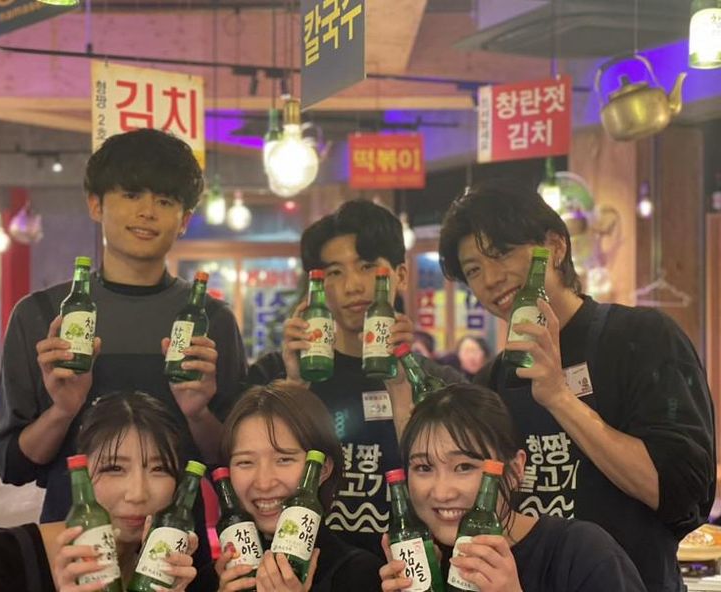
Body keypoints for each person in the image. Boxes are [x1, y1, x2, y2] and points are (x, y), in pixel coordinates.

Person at [0, 129, 248, 574]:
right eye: (130, 194)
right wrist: (62, 411)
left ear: (184, 219)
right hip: (72, 550)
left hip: (175, 553)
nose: (147, 211)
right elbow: (13, 464)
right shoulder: (43, 315)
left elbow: (229, 463)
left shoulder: (211, 321)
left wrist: (199, 413)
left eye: (165, 201)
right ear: (96, 204)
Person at [433, 179, 715, 591]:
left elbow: (683, 497)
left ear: (555, 246)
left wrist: (560, 398)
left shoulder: (642, 338)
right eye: (474, 270)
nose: (490, 278)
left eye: (502, 253)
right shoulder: (493, 378)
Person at [247, 199, 463, 557]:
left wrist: (400, 390)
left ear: (400, 275)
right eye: (334, 272)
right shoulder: (274, 376)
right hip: (305, 572)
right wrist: (296, 386)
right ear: (317, 285)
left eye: (366, 267)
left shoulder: (438, 383)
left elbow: (453, 482)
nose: (352, 286)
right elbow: (254, 478)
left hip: (408, 570)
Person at [379, 384, 647, 592]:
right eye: (423, 468)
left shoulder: (582, 553)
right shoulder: (422, 564)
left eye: (464, 467)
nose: (441, 493)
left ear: (516, 469)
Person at [0, 391, 201, 592]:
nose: (137, 494)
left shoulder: (177, 574)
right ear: (80, 473)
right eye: (114, 468)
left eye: (159, 469)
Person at [213, 380, 383, 592]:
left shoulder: (362, 575)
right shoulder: (209, 579)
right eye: (245, 462)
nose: (264, 483)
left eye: (284, 460)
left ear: (322, 469)